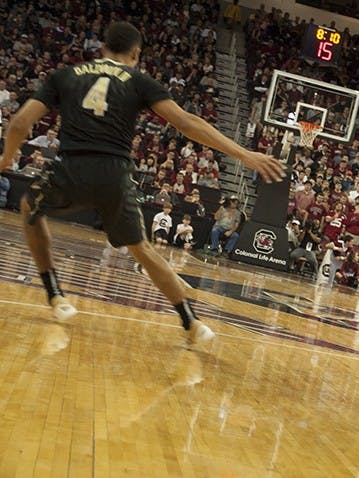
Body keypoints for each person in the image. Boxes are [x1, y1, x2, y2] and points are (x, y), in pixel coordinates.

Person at [0, 22, 285, 346]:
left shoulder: (65, 75)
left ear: (102, 48)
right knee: (143, 250)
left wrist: (7, 159)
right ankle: (191, 322)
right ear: (135, 54)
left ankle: (55, 295)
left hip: (71, 167)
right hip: (115, 174)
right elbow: (187, 123)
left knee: (30, 208)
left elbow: (20, 122)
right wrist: (244, 154)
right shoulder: (139, 80)